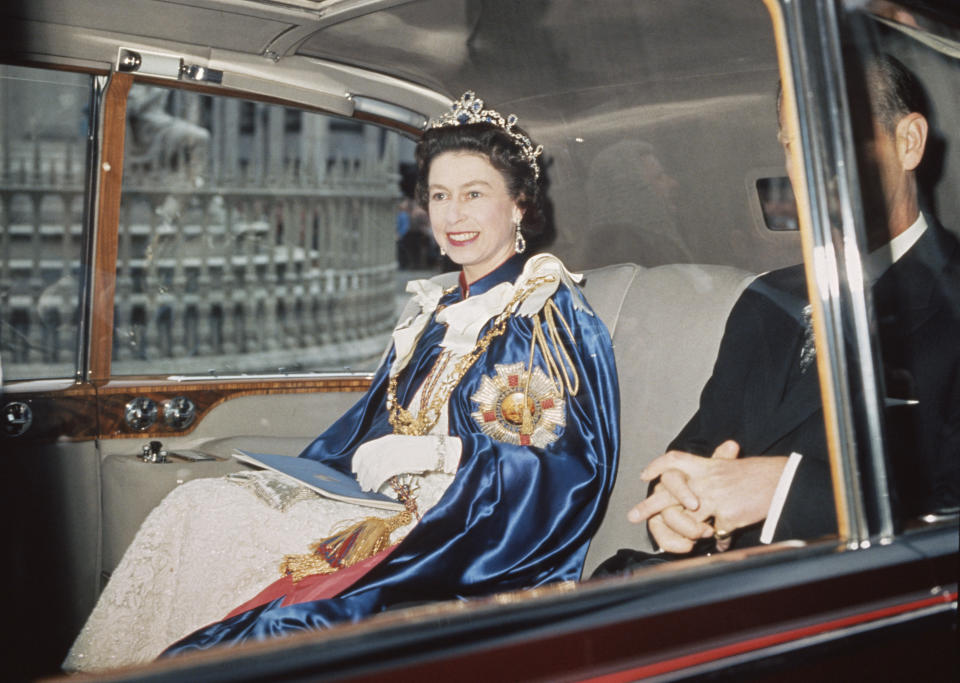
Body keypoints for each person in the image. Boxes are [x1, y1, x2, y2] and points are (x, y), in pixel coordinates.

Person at [64, 91, 619, 671]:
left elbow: (557, 470)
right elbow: (371, 422)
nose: (453, 217)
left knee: (263, 587)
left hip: (458, 528)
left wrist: (443, 453)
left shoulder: (542, 313)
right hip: (386, 501)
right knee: (200, 504)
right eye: (439, 197)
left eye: (474, 195)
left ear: (519, 205)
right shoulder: (438, 309)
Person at [595, 54, 959, 571]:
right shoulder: (768, 298)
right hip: (701, 587)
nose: (808, 167)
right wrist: (673, 503)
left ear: (908, 143)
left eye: (831, 136)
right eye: (793, 144)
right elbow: (704, 444)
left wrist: (784, 490)